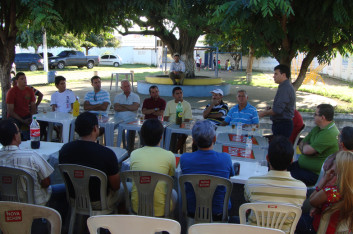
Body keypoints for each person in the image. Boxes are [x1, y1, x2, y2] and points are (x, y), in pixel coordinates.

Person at [0, 120, 67, 217]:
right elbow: (46, 183)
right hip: (35, 204)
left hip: (6, 205)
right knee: (66, 189)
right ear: (15, 136)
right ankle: (60, 225)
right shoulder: (31, 156)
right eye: (19, 132)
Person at [59, 112, 124, 210]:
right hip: (100, 202)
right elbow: (116, 186)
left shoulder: (65, 150)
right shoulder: (107, 153)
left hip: (74, 199)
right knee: (126, 189)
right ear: (95, 128)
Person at [244, 136, 307, 233]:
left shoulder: (251, 183)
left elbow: (248, 204)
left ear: (267, 158)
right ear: (291, 160)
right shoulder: (301, 188)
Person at [180, 120, 235, 221]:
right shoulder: (226, 159)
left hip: (192, 210)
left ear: (194, 141)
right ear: (214, 138)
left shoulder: (184, 159)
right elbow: (230, 176)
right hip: (219, 212)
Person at [130, 119, 177, 217]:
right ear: (161, 137)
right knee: (175, 193)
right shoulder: (169, 155)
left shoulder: (134, 154)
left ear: (142, 136)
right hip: (161, 209)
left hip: (137, 207)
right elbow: (171, 178)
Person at [297, 151, 353, 233]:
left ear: (339, 169)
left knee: (293, 220)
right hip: (337, 230)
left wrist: (324, 179)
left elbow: (312, 201)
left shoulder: (332, 192)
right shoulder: (348, 192)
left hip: (318, 228)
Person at [289, 104, 339, 186]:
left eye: (315, 114)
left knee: (284, 178)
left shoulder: (329, 133)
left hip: (313, 174)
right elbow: (302, 143)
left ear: (322, 117)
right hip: (302, 167)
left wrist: (307, 148)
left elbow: (305, 150)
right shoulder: (318, 128)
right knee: (278, 171)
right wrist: (308, 149)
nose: (313, 116)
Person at [258, 64, 295, 138]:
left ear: (283, 75)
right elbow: (281, 107)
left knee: (279, 148)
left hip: (283, 125)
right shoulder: (284, 87)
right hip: (281, 124)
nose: (273, 76)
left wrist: (263, 113)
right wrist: (270, 109)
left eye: (276, 74)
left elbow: (277, 110)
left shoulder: (285, 88)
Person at [6, 72, 36, 140]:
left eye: (25, 78)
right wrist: (22, 120)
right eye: (22, 79)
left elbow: (33, 106)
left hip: (27, 115)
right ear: (17, 81)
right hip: (15, 117)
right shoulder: (11, 92)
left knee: (40, 124)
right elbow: (10, 111)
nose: (24, 80)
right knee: (14, 127)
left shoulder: (29, 90)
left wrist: (32, 117)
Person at [113, 80, 140, 153]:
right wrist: (129, 107)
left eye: (128, 86)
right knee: (111, 127)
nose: (127, 88)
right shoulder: (118, 96)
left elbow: (134, 108)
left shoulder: (135, 96)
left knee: (131, 129)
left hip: (132, 120)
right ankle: (121, 149)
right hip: (119, 120)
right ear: (121, 88)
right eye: (125, 86)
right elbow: (116, 108)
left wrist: (122, 105)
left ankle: (129, 149)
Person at [164, 87, 193, 153]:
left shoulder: (187, 104)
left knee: (183, 135)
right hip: (171, 125)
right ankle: (169, 150)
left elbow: (187, 119)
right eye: (177, 93)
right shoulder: (169, 103)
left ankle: (173, 151)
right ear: (173, 95)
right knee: (167, 133)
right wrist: (170, 125)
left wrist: (180, 125)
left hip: (182, 125)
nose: (179, 95)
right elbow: (165, 117)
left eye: (181, 93)